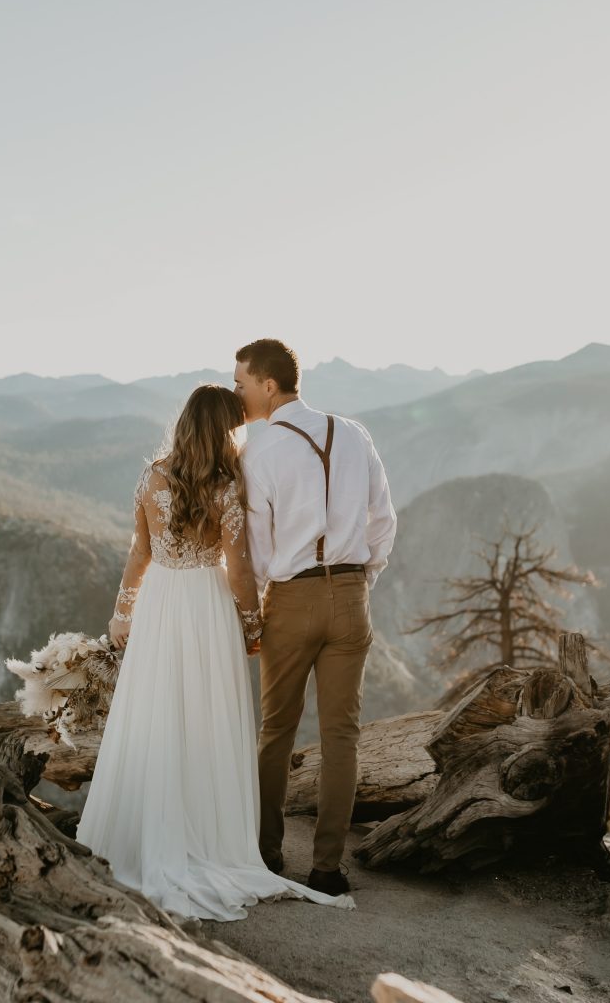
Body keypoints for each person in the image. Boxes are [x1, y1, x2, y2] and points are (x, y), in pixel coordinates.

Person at [74, 384, 356, 921]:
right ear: (226, 429)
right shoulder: (228, 485)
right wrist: (252, 626)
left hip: (160, 604)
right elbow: (240, 568)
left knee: (157, 714)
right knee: (207, 718)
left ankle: (149, 831)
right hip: (207, 606)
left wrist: (122, 613)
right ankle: (208, 835)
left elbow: (139, 553)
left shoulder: (152, 475)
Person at [233, 339, 397, 896]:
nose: (239, 391)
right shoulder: (354, 434)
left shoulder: (260, 452)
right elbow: (383, 520)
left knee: (276, 731)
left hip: (291, 599)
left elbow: (256, 548)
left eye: (243, 382)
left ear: (269, 385)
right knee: (341, 736)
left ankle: (265, 855)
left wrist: (253, 611)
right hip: (351, 597)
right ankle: (328, 868)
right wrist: (360, 579)